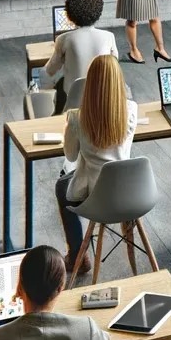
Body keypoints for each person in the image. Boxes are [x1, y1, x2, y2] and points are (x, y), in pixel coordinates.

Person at [54, 54, 138, 274]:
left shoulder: (76, 117)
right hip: (130, 193)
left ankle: (77, 257)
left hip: (96, 196)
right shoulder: (131, 110)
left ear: (89, 82)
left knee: (61, 186)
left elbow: (71, 157)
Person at [43, 0, 118, 113]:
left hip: (73, 105)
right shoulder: (108, 37)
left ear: (69, 13)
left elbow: (50, 70)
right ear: (98, 10)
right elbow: (114, 66)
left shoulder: (64, 39)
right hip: (103, 100)